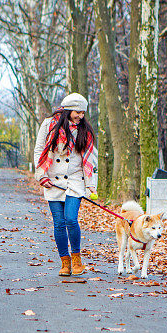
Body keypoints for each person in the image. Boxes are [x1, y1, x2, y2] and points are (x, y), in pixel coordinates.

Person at [34, 93, 98, 276]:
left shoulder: (84, 130)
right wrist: (41, 175)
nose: (81, 116)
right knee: (59, 223)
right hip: (53, 181)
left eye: (83, 113)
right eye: (77, 112)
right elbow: (39, 150)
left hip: (75, 180)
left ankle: (77, 258)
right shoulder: (48, 125)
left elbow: (89, 158)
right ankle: (65, 262)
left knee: (70, 219)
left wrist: (90, 184)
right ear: (68, 110)